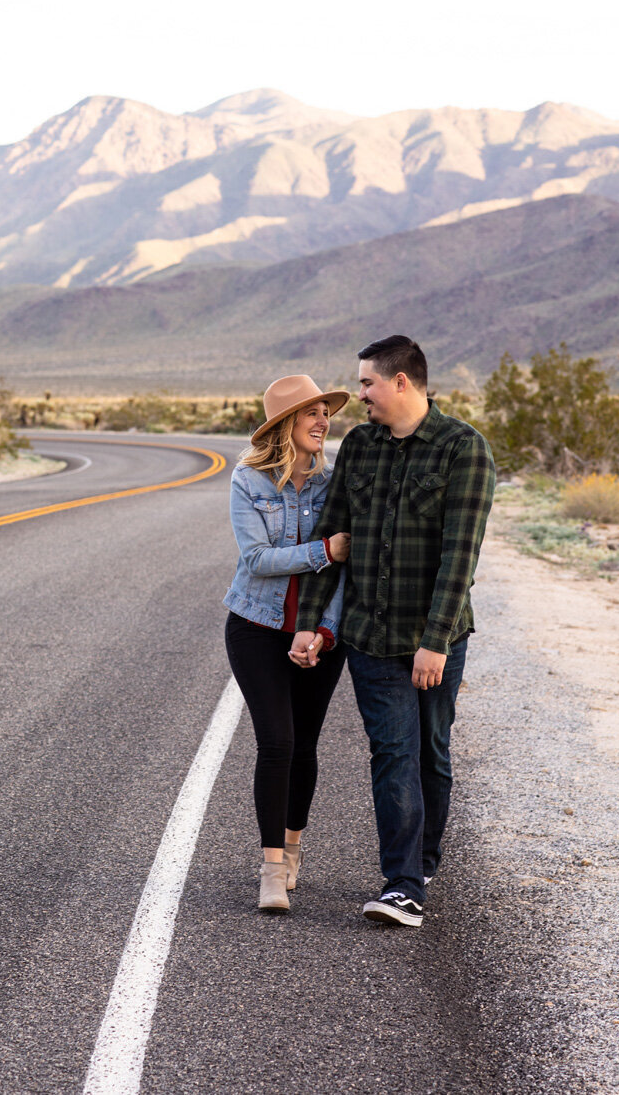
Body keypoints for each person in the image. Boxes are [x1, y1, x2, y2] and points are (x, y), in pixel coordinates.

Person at [292, 336, 496, 927]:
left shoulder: (464, 450)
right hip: (369, 637)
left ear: (402, 381)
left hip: (436, 637)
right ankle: (403, 884)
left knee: (432, 751)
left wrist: (435, 641)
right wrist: (310, 625)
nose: (359, 397)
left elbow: (461, 556)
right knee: (392, 752)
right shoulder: (359, 447)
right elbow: (334, 536)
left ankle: (424, 857)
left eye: (366, 385)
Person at [224, 374, 351, 913]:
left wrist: (322, 633)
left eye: (326, 412)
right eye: (311, 413)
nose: (323, 421)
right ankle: (272, 866)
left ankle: (294, 848)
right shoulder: (248, 482)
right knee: (276, 742)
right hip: (256, 627)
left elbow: (350, 576)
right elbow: (256, 560)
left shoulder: (332, 484)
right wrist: (324, 550)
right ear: (284, 426)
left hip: (321, 634)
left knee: (304, 745)